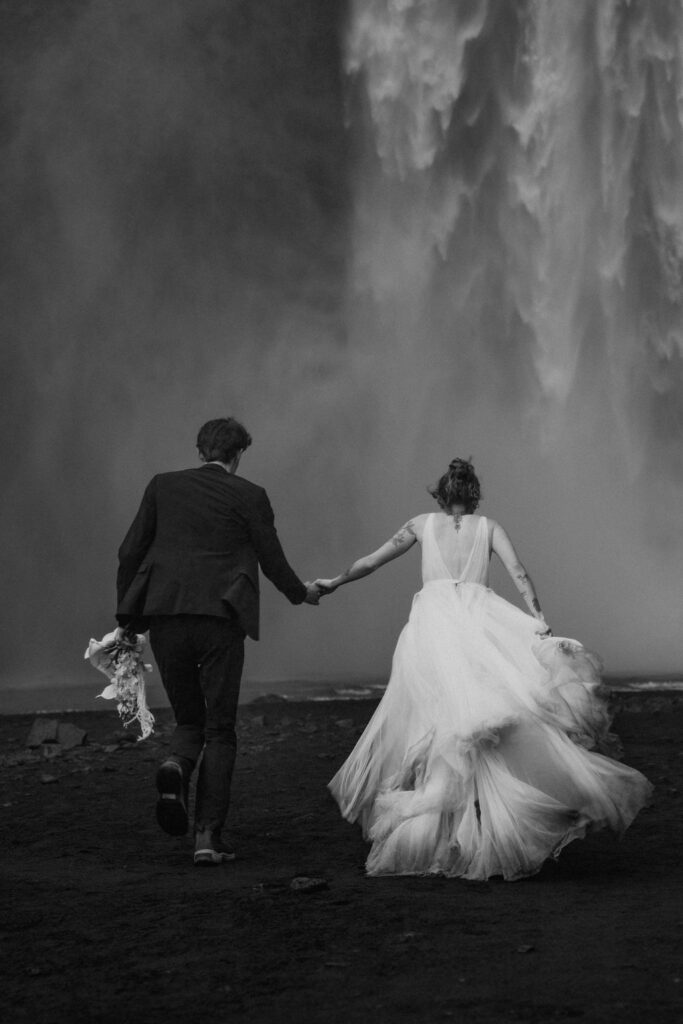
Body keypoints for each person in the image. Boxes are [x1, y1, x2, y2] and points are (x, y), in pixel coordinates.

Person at [314, 458, 652, 881]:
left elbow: (370, 562)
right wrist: (539, 618)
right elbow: (518, 572)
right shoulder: (489, 527)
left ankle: (438, 833)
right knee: (483, 725)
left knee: (437, 722)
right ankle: (476, 829)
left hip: (432, 629)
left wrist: (333, 582)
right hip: (478, 622)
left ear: (441, 492)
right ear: (473, 494)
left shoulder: (420, 525)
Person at [116, 417, 320, 866]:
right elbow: (271, 558)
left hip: (165, 616)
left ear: (199, 451)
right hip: (220, 618)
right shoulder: (250, 495)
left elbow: (130, 551)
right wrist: (300, 593)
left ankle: (177, 766)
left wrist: (128, 619)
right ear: (239, 454)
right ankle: (207, 838)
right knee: (220, 728)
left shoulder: (161, 486)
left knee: (189, 718)